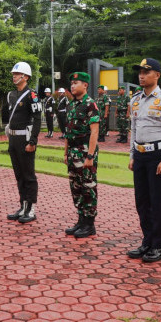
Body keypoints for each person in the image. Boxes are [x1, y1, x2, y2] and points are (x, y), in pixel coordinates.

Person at [127, 58, 161, 263]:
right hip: (140, 155)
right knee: (142, 202)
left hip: (157, 156)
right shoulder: (135, 99)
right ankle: (146, 241)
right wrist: (131, 155)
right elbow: (134, 129)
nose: (141, 75)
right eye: (140, 72)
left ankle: (158, 246)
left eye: (146, 72)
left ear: (157, 75)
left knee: (157, 202)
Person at [63, 72, 100, 238]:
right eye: (71, 83)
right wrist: (65, 153)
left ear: (85, 85)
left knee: (88, 187)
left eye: (76, 83)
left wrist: (90, 156)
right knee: (76, 187)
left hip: (85, 150)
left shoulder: (90, 104)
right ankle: (81, 219)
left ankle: (89, 224)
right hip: (72, 151)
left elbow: (94, 132)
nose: (72, 86)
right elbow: (67, 131)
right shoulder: (71, 105)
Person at [4, 62, 42, 223]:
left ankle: (31, 209)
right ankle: (22, 205)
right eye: (13, 73)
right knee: (19, 174)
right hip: (13, 139)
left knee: (28, 175)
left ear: (25, 77)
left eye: (17, 74)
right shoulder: (11, 94)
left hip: (25, 139)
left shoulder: (31, 95)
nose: (14, 76)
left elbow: (38, 119)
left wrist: (33, 140)